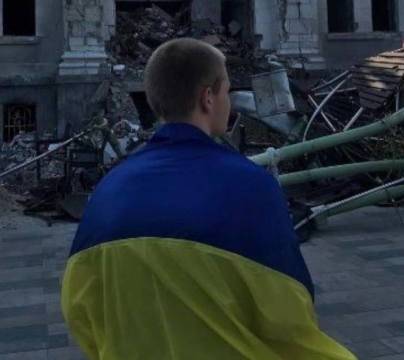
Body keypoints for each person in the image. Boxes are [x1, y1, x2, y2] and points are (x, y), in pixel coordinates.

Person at [61, 38, 356, 360]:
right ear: (208, 99)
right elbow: (290, 319)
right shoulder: (251, 187)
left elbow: (79, 312)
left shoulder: (108, 189)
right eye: (227, 91)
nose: (229, 102)